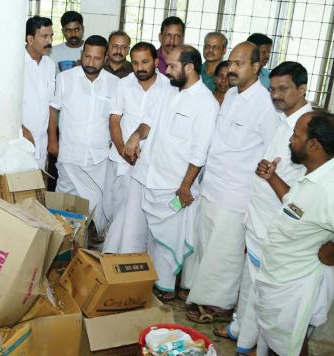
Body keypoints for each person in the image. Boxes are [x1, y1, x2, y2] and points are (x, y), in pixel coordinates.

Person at [231, 111, 334, 356]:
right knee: (274, 333)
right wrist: (272, 179)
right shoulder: (314, 174)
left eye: (296, 135)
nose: (290, 140)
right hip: (279, 273)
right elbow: (294, 206)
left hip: (299, 282)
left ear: (314, 145)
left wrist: (333, 254)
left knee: (294, 341)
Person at [214, 62, 312, 356]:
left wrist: (271, 178)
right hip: (257, 217)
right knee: (249, 283)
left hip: (276, 225)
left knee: (265, 293)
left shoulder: (307, 128)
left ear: (302, 89)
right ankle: (240, 329)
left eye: (283, 89)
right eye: (273, 89)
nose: (276, 95)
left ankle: (256, 347)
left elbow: (302, 186)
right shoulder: (283, 119)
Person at [182, 42, 278, 320]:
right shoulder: (232, 95)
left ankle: (218, 305)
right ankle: (200, 293)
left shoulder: (265, 105)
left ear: (256, 67)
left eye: (239, 64)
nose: (232, 69)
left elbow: (269, 154)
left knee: (224, 252)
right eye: (231, 63)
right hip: (212, 184)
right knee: (206, 246)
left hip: (236, 192)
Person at [123, 45, 218, 299]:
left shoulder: (206, 104)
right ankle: (152, 281)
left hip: (176, 185)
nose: (168, 71)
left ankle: (166, 287)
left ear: (189, 67)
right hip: (151, 177)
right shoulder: (169, 91)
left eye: (173, 66)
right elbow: (148, 122)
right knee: (154, 236)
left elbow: (200, 152)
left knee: (171, 236)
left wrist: (186, 185)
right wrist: (135, 135)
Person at [103, 42, 172, 254]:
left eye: (145, 62)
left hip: (152, 162)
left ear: (156, 61)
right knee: (118, 211)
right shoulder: (123, 84)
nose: (140, 67)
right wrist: (124, 151)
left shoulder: (169, 87)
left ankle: (129, 258)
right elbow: (114, 120)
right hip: (122, 159)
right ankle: (116, 258)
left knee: (141, 216)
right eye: (135, 62)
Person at [48, 35, 119, 237]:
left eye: (97, 58)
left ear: (105, 58)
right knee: (64, 204)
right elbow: (52, 110)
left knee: (97, 206)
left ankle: (90, 244)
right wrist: (52, 141)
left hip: (99, 159)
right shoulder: (65, 78)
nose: (91, 62)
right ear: (82, 54)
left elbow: (117, 120)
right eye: (87, 56)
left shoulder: (115, 84)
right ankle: (63, 245)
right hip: (70, 156)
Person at [22, 16, 56, 170]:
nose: (49, 41)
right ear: (30, 39)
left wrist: (51, 138)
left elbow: (49, 103)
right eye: (44, 36)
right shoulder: (16, 63)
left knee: (38, 188)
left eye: (51, 36)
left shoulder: (50, 64)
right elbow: (3, 103)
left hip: (42, 141)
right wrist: (20, 130)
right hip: (20, 138)